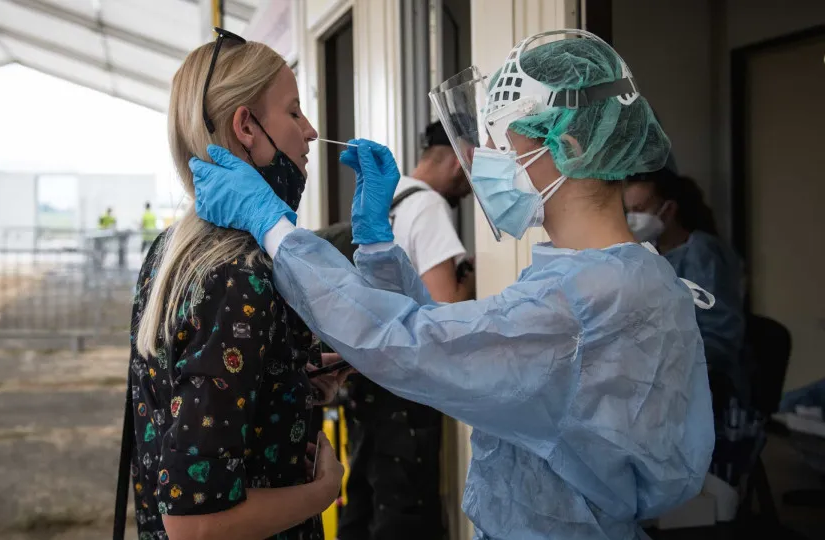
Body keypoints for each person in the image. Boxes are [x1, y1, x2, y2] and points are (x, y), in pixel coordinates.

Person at [189, 30, 715, 539]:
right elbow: (450, 342)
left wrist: (274, 227)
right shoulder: (611, 276)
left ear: (568, 145)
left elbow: (415, 345)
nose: (483, 157)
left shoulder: (587, 300)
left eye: (499, 139)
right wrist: (376, 245)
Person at [125, 28, 346, 540]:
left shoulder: (169, 252)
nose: (310, 131)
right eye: (294, 112)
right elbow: (194, 526)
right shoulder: (238, 274)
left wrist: (295, 385)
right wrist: (324, 488)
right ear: (246, 125)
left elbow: (196, 396)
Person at [336, 120, 475, 540]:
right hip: (406, 388)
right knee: (403, 514)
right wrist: (468, 282)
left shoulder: (389, 198)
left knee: (362, 498)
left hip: (365, 374)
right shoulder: (429, 205)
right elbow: (442, 307)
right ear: (458, 160)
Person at [624, 169, 747, 402]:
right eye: (628, 211)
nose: (631, 219)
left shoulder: (702, 253)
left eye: (638, 210)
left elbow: (719, 334)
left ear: (669, 210)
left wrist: (669, 362)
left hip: (703, 386)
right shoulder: (650, 256)